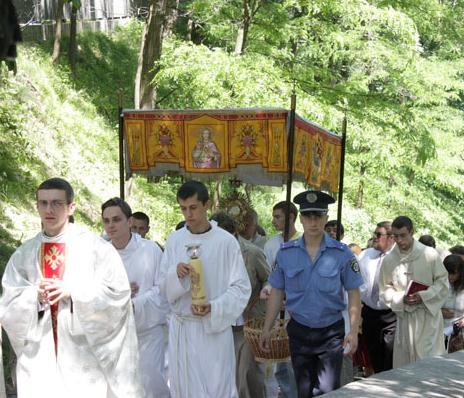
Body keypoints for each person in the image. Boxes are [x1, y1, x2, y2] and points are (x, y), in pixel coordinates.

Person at [0, 178, 142, 397]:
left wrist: (74, 292)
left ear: (71, 207)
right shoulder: (25, 254)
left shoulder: (96, 248)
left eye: (57, 203)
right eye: (43, 203)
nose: (49, 209)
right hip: (40, 354)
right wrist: (33, 296)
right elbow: (9, 302)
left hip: (82, 354)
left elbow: (118, 296)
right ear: (36, 206)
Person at [260, 190, 363, 397]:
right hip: (299, 331)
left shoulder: (342, 253)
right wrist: (266, 328)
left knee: (327, 390)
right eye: (308, 216)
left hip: (331, 333)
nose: (313, 222)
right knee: (303, 389)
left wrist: (353, 330)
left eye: (318, 216)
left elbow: (353, 293)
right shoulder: (286, 253)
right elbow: (277, 291)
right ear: (301, 218)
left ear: (326, 218)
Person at [160, 180, 251, 398]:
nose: (188, 214)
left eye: (193, 207)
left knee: (216, 387)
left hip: (213, 331)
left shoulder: (226, 242)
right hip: (183, 327)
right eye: (183, 208)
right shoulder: (174, 241)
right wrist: (176, 274)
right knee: (184, 388)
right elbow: (162, 285)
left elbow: (241, 288)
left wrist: (214, 307)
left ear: (207, 205)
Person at [102, 198, 170, 398]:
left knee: (151, 385)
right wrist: (119, 296)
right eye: (106, 221)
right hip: (113, 334)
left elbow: (163, 289)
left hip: (147, 333)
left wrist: (135, 304)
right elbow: (91, 291)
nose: (111, 225)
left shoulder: (150, 250)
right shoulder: (100, 253)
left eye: (116, 219)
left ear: (129, 221)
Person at [211, 212, 269, 398]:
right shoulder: (209, 251)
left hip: (248, 323)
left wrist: (266, 289)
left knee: (246, 374)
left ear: (233, 233)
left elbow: (271, 278)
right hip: (221, 323)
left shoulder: (252, 252)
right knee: (222, 375)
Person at [378, 216, 449, 368]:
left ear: (412, 232)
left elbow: (443, 283)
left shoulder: (429, 255)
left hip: (428, 319)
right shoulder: (390, 260)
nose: (399, 240)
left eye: (403, 235)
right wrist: (400, 298)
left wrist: (423, 296)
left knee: (429, 364)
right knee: (405, 366)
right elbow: (384, 289)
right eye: (395, 236)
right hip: (405, 320)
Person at [261, 201, 300, 398]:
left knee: (293, 362)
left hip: (296, 312)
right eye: (274, 216)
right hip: (277, 312)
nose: (274, 220)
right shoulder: (271, 244)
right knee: (278, 365)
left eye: (278, 216)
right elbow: (270, 277)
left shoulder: (303, 241)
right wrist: (268, 289)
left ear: (291, 217)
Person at [359, 221, 396, 373]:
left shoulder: (399, 258)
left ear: (391, 238)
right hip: (369, 313)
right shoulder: (365, 255)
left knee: (389, 354)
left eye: (379, 234)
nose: (374, 237)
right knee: (373, 355)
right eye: (374, 233)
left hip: (391, 314)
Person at [442, 255, 464, 338]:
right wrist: (438, 312)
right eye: (447, 273)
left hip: (458, 331)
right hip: (438, 328)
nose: (449, 277)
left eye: (453, 273)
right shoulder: (438, 283)